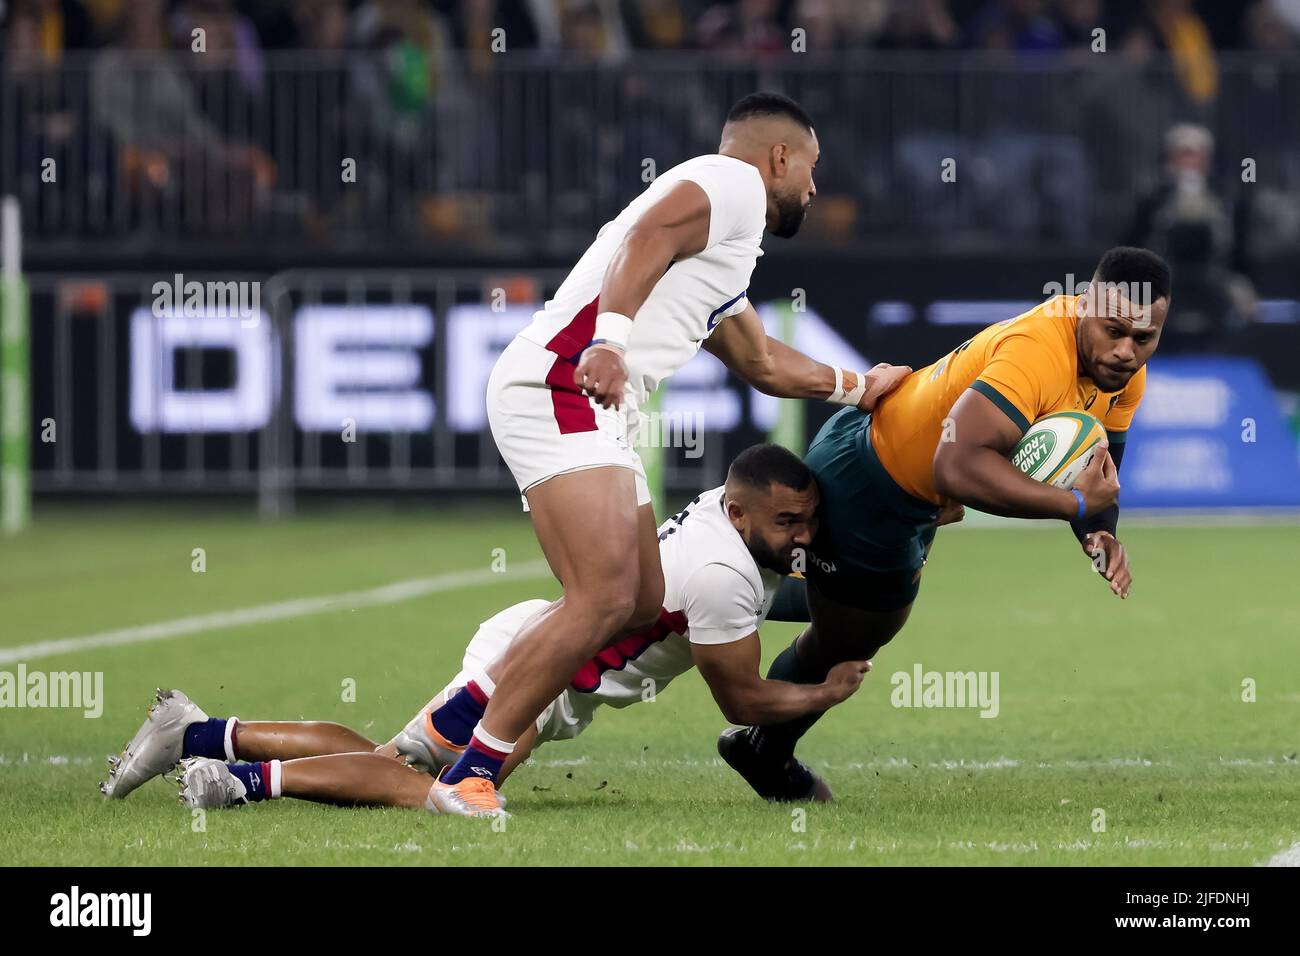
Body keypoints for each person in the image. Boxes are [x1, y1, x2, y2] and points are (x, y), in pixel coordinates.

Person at [430, 91, 908, 815]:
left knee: (640, 601)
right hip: (564, 383)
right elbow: (646, 234)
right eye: (811, 169)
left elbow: (764, 363)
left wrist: (858, 386)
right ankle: (475, 769)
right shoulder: (731, 183)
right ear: (779, 157)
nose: (814, 189)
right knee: (605, 598)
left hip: (593, 405)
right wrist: (610, 339)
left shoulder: (723, 254)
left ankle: (461, 718)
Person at [101, 446, 870, 815]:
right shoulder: (725, 571)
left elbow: (767, 590)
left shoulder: (728, 518)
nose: (801, 534)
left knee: (399, 764)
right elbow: (740, 700)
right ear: (739, 514)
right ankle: (234, 778)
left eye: (807, 520)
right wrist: (823, 692)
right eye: (788, 521)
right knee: (432, 792)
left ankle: (199, 737)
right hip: (535, 670)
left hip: (547, 653)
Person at [720, 247, 1173, 801]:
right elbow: (957, 466)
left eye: (1144, 339)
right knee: (850, 638)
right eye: (1113, 330)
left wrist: (1098, 531)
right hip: (871, 480)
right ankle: (763, 750)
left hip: (900, 480)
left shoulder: (1127, 376)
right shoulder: (1036, 352)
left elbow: (1100, 468)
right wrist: (1072, 508)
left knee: (856, 614)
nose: (1127, 351)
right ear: (1085, 307)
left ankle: (726, 596)